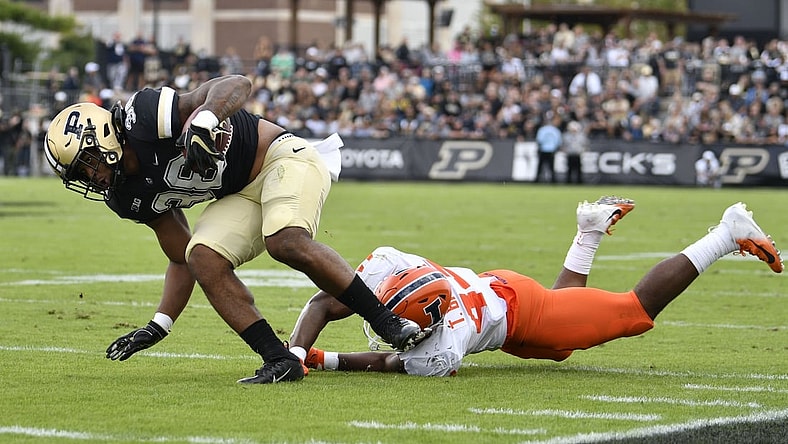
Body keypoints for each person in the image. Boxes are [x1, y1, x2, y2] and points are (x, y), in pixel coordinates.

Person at [42, 74, 427, 384]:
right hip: (239, 192)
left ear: (102, 139)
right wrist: (159, 324)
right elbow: (180, 257)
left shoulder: (142, 118)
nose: (89, 178)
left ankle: (387, 322)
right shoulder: (124, 197)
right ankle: (279, 359)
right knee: (202, 257)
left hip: (280, 157)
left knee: (284, 240)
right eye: (79, 175)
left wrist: (206, 116)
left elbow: (237, 83)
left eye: (86, 164)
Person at [287, 197, 783, 376]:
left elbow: (387, 361)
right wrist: (296, 350)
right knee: (559, 349)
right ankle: (589, 228)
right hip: (500, 290)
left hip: (519, 309)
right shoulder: (393, 268)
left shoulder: (442, 341)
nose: (388, 325)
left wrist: (326, 359)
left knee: (633, 313)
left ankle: (725, 233)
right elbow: (327, 301)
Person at [535, 113, 562, 183]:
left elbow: (539, 140)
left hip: (543, 149)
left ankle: (537, 180)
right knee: (551, 167)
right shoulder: (556, 130)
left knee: (540, 166)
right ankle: (553, 180)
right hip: (552, 150)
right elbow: (558, 141)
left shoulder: (542, 130)